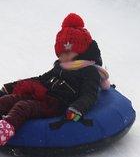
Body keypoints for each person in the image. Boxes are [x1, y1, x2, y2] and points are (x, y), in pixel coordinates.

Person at [0, 13, 110, 146]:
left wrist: (76, 108)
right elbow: (42, 79)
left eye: (67, 53)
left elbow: (89, 95)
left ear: (79, 51)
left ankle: (3, 132)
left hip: (58, 103)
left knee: (23, 106)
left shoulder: (89, 70)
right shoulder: (61, 65)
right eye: (60, 54)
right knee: (10, 99)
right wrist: (12, 86)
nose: (62, 57)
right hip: (44, 95)